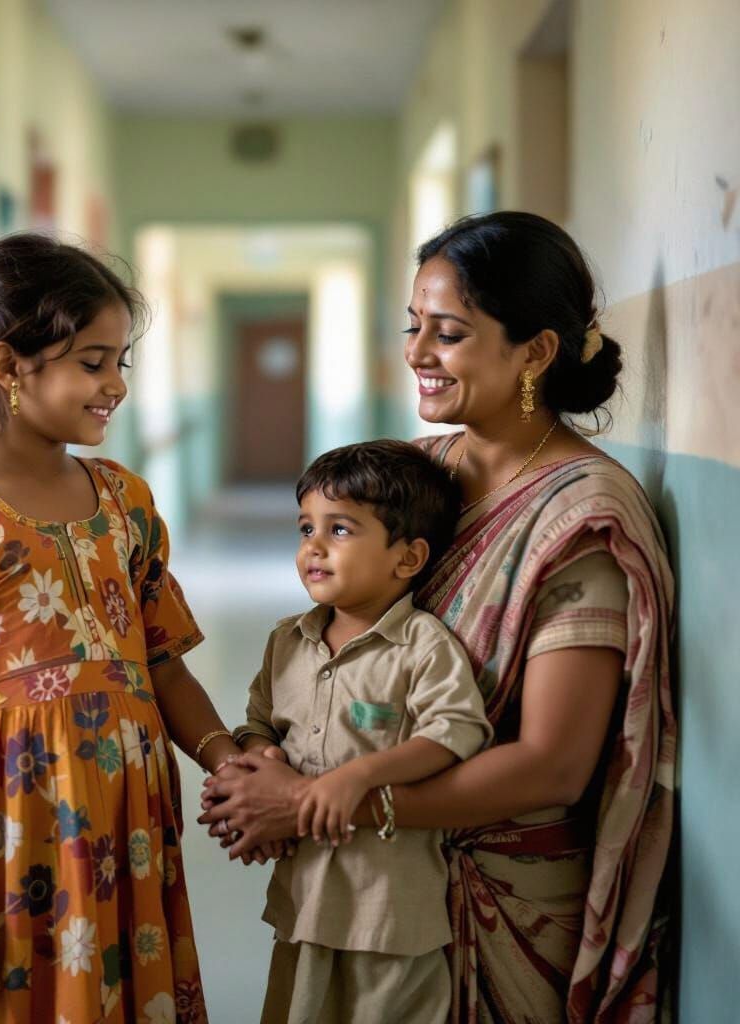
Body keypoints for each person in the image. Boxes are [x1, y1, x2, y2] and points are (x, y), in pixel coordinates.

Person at [200, 212, 676, 1023]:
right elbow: (335, 647)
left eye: (448, 334)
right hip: (352, 891)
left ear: (535, 352)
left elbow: (554, 765)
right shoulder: (416, 471)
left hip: (495, 912)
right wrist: (263, 768)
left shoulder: (578, 521)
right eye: (414, 327)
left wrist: (324, 802)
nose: (417, 354)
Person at [0, 234, 240, 1023]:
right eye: (92, 362)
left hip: (123, 827)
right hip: (4, 834)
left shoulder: (125, 499)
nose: (115, 386)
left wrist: (226, 761)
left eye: (121, 364)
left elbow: (163, 666)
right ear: (8, 367)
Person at [229, 440, 491, 1024]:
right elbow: (257, 724)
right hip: (301, 907)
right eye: (305, 529)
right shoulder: (286, 641)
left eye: (340, 530)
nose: (313, 548)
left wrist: (358, 777)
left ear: (408, 558)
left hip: (390, 919)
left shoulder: (422, 647)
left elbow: (457, 729)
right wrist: (259, 764)